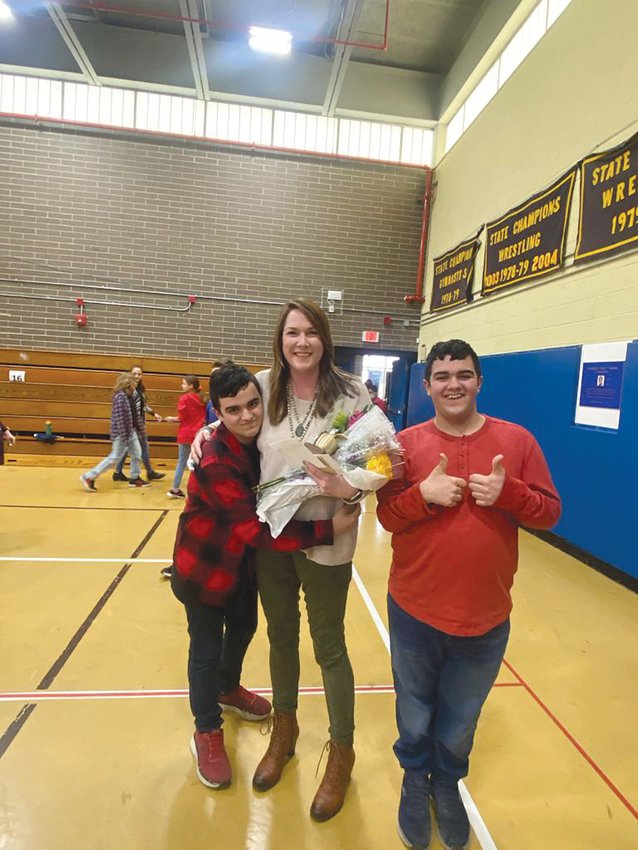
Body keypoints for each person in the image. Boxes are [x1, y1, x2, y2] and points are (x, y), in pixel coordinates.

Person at [376, 339, 561, 850]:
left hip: (485, 618)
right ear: (427, 384)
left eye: (463, 374)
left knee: (459, 721)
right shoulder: (403, 446)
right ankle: (416, 781)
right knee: (414, 712)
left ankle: (447, 783)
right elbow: (385, 515)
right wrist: (421, 496)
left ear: (480, 381)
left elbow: (549, 513)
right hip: (414, 609)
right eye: (442, 375)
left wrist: (510, 495)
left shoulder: (517, 441)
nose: (453, 383)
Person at [192, 299, 370, 822]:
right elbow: (231, 427)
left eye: (312, 331)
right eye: (293, 332)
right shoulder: (265, 386)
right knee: (280, 636)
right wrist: (206, 437)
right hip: (273, 541)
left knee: (331, 646)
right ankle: (285, 732)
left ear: (325, 337)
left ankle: (342, 752)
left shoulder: (354, 392)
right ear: (281, 337)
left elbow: (374, 460)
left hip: (330, 536)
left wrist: (352, 489)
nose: (302, 341)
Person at [80, 373, 150, 491]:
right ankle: (89, 476)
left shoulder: (130, 396)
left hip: (131, 431)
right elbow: (119, 418)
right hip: (122, 433)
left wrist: (140, 431)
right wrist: (124, 437)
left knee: (137, 454)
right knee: (114, 457)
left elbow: (134, 416)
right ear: (127, 383)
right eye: (133, 382)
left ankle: (134, 478)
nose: (135, 384)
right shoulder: (120, 397)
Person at [112, 365, 165, 482]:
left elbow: (143, 406)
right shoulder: (130, 390)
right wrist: (135, 424)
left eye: (139, 374)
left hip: (138, 423)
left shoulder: (139, 389)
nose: (136, 376)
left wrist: (154, 413)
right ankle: (147, 472)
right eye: (134, 373)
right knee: (142, 448)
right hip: (134, 424)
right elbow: (132, 409)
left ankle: (118, 472)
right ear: (130, 374)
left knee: (127, 449)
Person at [164, 375, 206, 499]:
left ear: (191, 386)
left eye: (183, 383)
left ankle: (175, 489)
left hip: (185, 433)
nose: (181, 386)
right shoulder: (202, 398)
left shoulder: (184, 399)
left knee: (182, 462)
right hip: (197, 435)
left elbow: (181, 418)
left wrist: (171, 419)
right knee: (199, 462)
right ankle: (201, 489)